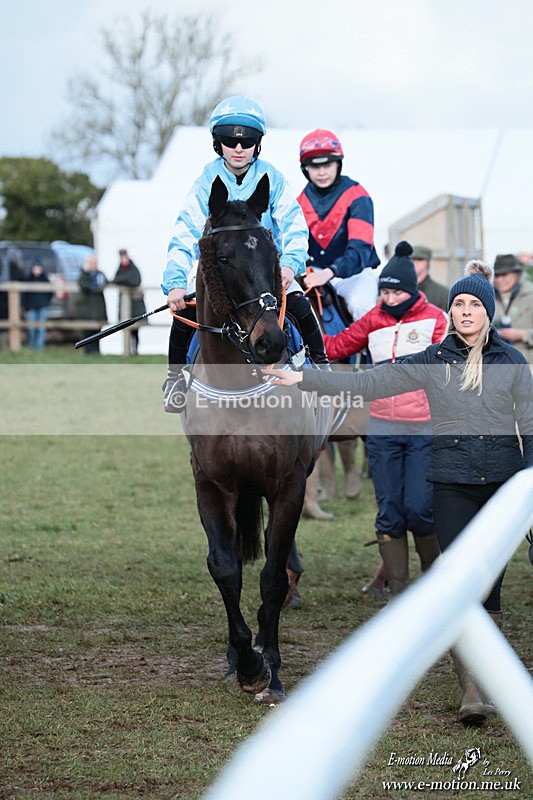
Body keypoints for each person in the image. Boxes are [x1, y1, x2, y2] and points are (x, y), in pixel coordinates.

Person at [265, 260, 533, 726]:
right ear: (450, 312)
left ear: (487, 312)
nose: (465, 311)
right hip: (451, 486)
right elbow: (369, 381)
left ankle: (485, 678)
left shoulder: (512, 362)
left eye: (474, 304)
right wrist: (302, 376)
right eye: (458, 304)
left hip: (501, 488)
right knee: (463, 583)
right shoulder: (433, 359)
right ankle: (472, 691)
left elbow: (529, 429)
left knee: (491, 587)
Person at [161, 95, 329, 412]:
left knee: (298, 302)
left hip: (266, 271)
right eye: (230, 141)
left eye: (247, 141)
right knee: (184, 315)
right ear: (218, 143)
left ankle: (322, 367)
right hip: (221, 273)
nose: (238, 148)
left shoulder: (272, 178)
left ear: (257, 144)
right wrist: (175, 283)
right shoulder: (206, 181)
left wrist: (290, 265)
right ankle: (174, 380)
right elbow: (184, 232)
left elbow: (295, 226)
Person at [321, 242, 447, 596]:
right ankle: (399, 594)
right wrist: (298, 325)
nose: (390, 299)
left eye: (397, 292)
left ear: (412, 290)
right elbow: (336, 346)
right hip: (381, 428)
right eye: (385, 292)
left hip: (423, 428)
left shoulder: (436, 319)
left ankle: (434, 585)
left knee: (420, 509)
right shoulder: (373, 319)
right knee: (389, 511)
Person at [297, 128, 380, 322]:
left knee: (361, 305)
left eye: (327, 165)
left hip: (354, 276)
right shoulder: (299, 202)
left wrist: (330, 272)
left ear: (338, 164)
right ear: (305, 169)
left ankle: (373, 343)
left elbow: (360, 249)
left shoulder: (358, 196)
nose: (322, 172)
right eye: (315, 166)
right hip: (314, 273)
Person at [492, 252, 533, 362]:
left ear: (517, 274)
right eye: (497, 275)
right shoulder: (488, 295)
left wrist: (523, 335)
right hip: (498, 364)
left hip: (527, 364)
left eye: (504, 274)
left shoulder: (531, 295)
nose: (499, 279)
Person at [112, 248, 146, 355]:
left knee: (135, 329)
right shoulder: (120, 268)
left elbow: (135, 281)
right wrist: (125, 280)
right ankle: (128, 350)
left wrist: (124, 281)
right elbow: (116, 280)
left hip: (135, 305)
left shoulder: (133, 268)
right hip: (125, 305)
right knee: (126, 327)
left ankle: (135, 350)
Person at [76, 254, 108, 355]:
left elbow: (105, 282)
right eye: (91, 263)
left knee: (97, 332)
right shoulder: (84, 275)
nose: (93, 265)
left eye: (95, 263)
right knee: (87, 333)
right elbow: (83, 284)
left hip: (98, 310)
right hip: (87, 311)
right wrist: (85, 272)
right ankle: (88, 353)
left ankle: (96, 352)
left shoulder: (100, 274)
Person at [23, 261, 54, 350]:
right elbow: (24, 296)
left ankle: (39, 347)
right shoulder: (28, 279)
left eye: (38, 268)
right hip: (31, 307)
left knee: (41, 328)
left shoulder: (45, 280)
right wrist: (25, 309)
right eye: (35, 268)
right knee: (31, 327)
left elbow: (50, 292)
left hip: (42, 307)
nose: (37, 270)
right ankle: (31, 345)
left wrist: (46, 303)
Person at [411, 245, 449, 310]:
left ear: (427, 262)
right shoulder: (403, 292)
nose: (415, 263)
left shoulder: (442, 294)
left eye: (419, 259)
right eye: (411, 259)